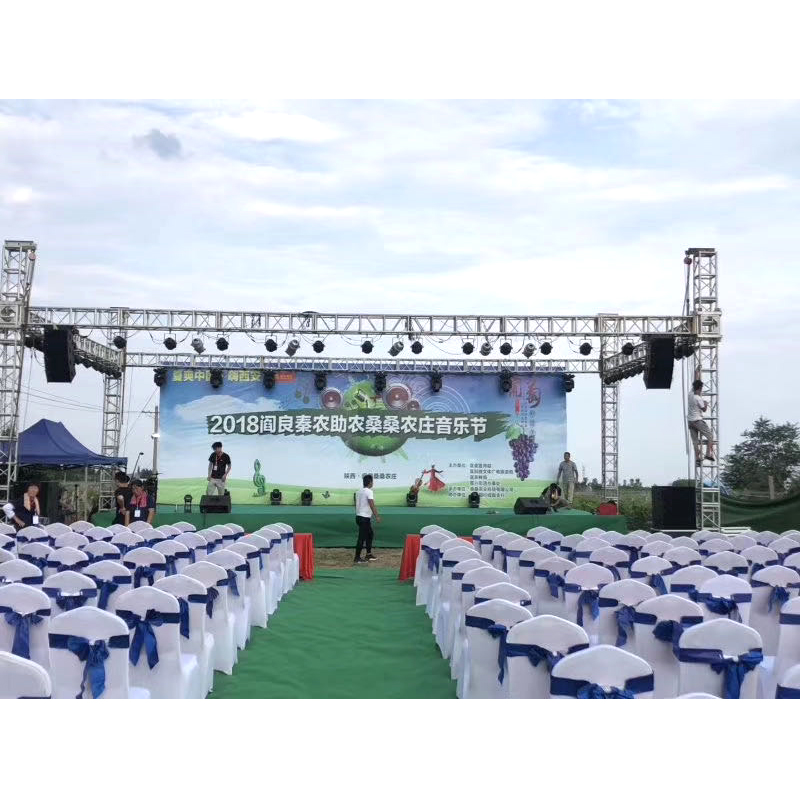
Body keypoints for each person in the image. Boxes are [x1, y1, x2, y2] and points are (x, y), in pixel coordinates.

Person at [688, 379, 716, 467]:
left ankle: (697, 459)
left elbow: (694, 387)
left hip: (690, 421)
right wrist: (706, 403)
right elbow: (704, 409)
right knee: (710, 436)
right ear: (700, 388)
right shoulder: (698, 398)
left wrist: (697, 372)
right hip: (698, 420)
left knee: (695, 441)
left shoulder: (690, 394)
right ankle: (708, 454)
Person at [354, 473, 380, 564]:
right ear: (370, 482)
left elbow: (356, 504)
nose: (373, 483)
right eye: (372, 481)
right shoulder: (369, 491)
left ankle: (368, 554)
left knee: (370, 534)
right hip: (364, 518)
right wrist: (377, 516)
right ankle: (357, 558)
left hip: (359, 517)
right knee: (362, 538)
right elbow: (371, 504)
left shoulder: (358, 491)